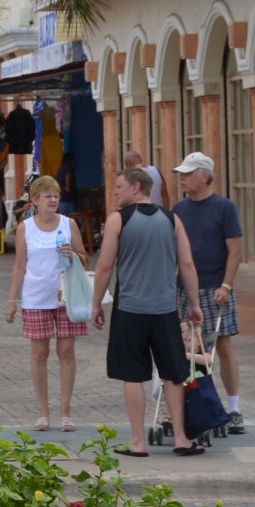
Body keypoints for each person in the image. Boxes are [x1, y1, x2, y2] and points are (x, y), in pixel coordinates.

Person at [91, 166, 205, 457]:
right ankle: (180, 438)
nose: (115, 192)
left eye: (118, 187)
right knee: (173, 374)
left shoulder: (118, 220)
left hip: (130, 309)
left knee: (132, 375)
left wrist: (95, 303)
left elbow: (104, 266)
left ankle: (138, 442)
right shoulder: (172, 219)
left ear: (135, 188)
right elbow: (188, 265)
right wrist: (194, 304)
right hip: (165, 309)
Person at [6, 174, 90, 432]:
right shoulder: (25, 228)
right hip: (35, 298)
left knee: (66, 353)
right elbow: (20, 266)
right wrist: (12, 299)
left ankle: (65, 411)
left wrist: (73, 254)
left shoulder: (69, 224)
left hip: (67, 298)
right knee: (39, 354)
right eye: (47, 196)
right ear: (35, 200)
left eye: (56, 196)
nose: (53, 200)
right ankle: (43, 411)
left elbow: (85, 259)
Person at [172, 151, 245, 434]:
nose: (181, 178)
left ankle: (234, 408)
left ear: (204, 174)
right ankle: (181, 409)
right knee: (182, 349)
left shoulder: (224, 207)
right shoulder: (178, 209)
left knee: (222, 347)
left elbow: (235, 251)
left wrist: (226, 285)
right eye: (180, 174)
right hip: (184, 289)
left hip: (216, 288)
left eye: (187, 174)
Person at [55, 152, 76, 216]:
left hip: (61, 196)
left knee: (63, 216)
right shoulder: (68, 167)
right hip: (67, 197)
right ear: (71, 160)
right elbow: (68, 175)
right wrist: (68, 187)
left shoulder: (60, 168)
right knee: (70, 217)